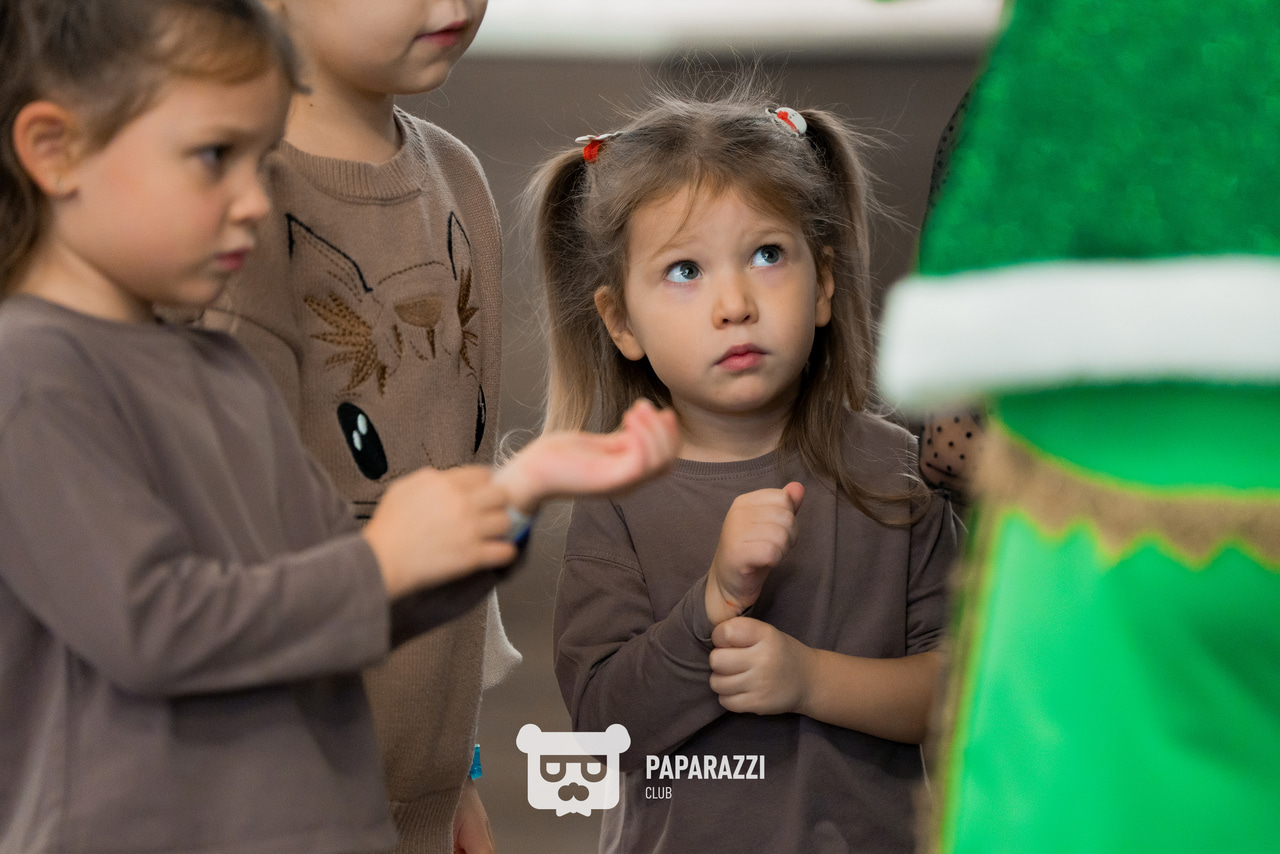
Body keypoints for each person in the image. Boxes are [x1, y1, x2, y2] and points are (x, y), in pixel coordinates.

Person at [0, 2, 678, 853]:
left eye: (259, 159)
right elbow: (157, 626)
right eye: (214, 158)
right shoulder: (32, 377)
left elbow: (337, 601)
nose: (256, 200)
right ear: (54, 150)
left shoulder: (216, 377)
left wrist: (515, 496)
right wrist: (380, 562)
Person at [529, 86, 961, 853]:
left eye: (767, 255)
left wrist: (809, 680)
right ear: (621, 321)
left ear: (823, 283)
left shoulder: (895, 475)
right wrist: (712, 605)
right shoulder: (617, 495)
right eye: (684, 270)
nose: (734, 303)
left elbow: (956, 696)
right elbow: (601, 729)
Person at [186, 1, 515, 850]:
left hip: (423, 786)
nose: (454, 6)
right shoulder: (239, 209)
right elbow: (230, 553)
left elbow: (464, 485)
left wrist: (459, 771)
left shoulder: (458, 177)